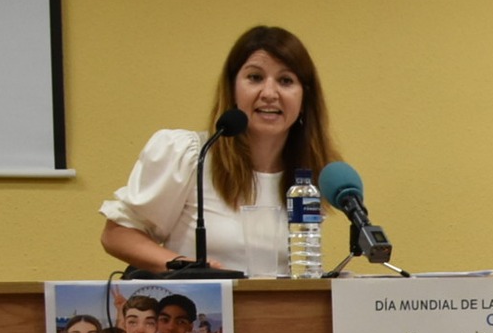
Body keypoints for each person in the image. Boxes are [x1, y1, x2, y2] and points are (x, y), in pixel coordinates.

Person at [100, 25, 339, 275]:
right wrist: (186, 267)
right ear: (233, 88)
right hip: (198, 300)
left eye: (285, 81)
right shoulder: (192, 155)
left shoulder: (309, 178)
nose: (269, 93)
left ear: (304, 98)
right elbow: (117, 234)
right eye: (255, 77)